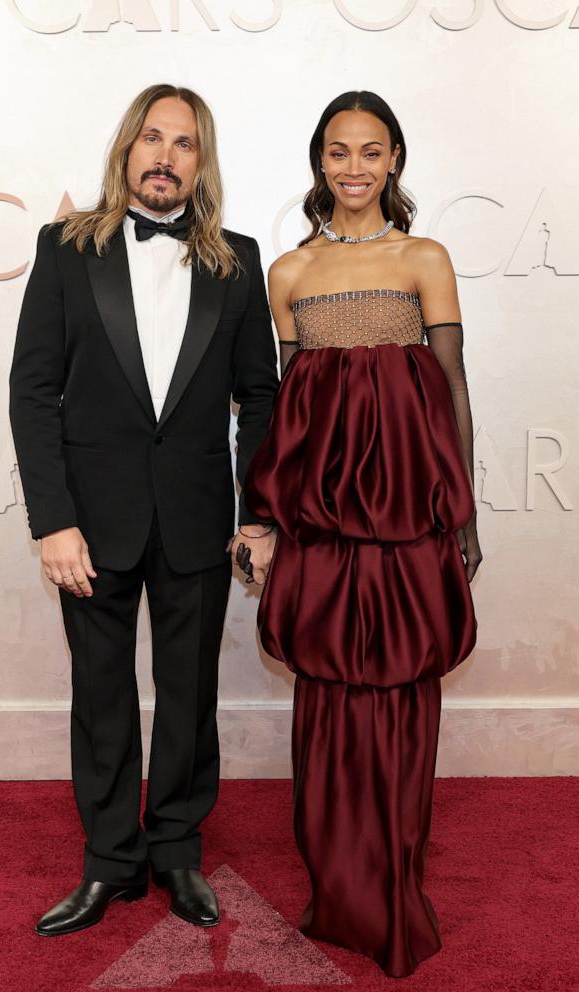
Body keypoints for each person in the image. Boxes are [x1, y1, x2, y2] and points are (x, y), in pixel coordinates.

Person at [9, 84, 278, 937]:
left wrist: (259, 513)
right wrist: (51, 519)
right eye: (153, 138)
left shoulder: (236, 259)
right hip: (89, 522)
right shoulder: (63, 251)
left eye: (185, 143)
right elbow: (34, 391)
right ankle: (109, 864)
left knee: (188, 694)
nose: (166, 156)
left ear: (201, 163)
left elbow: (259, 397)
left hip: (198, 518)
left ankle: (176, 853)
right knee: (102, 695)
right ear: (127, 149)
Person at [243, 91, 483, 979]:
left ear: (394, 161)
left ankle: (391, 881)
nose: (353, 167)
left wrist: (461, 510)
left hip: (408, 522)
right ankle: (336, 883)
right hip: (322, 527)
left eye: (370, 152)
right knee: (329, 696)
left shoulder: (424, 257)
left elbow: (451, 391)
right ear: (318, 162)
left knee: (402, 693)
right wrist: (264, 516)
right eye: (338, 152)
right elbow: (285, 413)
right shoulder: (288, 273)